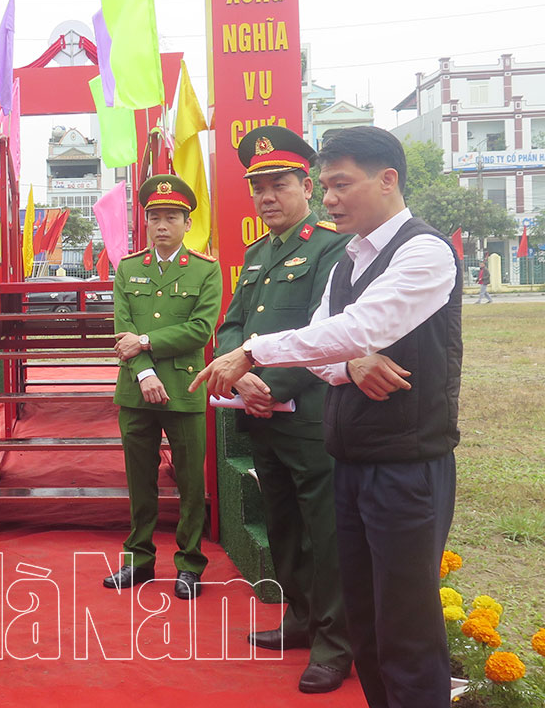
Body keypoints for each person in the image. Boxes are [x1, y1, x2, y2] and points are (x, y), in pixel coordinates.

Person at [193, 126, 461, 708]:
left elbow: (356, 331)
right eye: (327, 185)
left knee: (406, 622)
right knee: (366, 615)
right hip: (351, 452)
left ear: (387, 179)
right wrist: (342, 364)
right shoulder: (348, 262)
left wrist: (259, 354)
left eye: (339, 184)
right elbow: (327, 353)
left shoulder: (424, 249)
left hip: (406, 461)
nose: (331, 197)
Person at [215, 126, 352, 694]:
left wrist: (268, 383)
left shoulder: (330, 247)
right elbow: (232, 325)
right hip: (262, 412)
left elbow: (327, 331)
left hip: (310, 414)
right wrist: (243, 379)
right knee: (283, 525)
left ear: (306, 187)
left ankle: (334, 644)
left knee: (325, 532)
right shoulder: (257, 254)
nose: (268, 197)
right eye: (259, 188)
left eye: (279, 184)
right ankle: (298, 618)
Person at [104, 175, 221, 599]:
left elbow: (201, 328)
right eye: (154, 217)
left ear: (187, 223)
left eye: (171, 217)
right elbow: (124, 329)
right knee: (140, 480)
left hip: (186, 388)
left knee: (191, 483)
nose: (162, 225)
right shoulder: (129, 268)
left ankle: (189, 563)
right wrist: (144, 371)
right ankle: (137, 558)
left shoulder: (206, 270)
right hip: (137, 389)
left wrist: (148, 343)